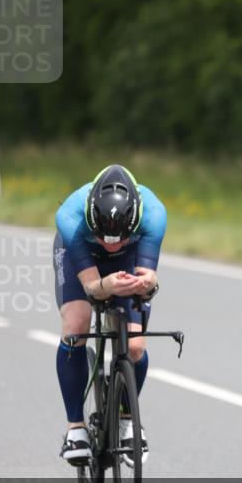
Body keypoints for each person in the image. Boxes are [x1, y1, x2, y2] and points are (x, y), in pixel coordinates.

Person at [53, 165, 166, 465]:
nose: (111, 243)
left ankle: (128, 419)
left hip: (130, 259)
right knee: (76, 324)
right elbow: (91, 287)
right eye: (103, 235)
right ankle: (75, 428)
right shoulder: (70, 216)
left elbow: (149, 279)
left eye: (119, 236)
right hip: (82, 258)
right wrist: (105, 285)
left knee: (135, 344)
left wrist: (147, 284)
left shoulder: (154, 214)